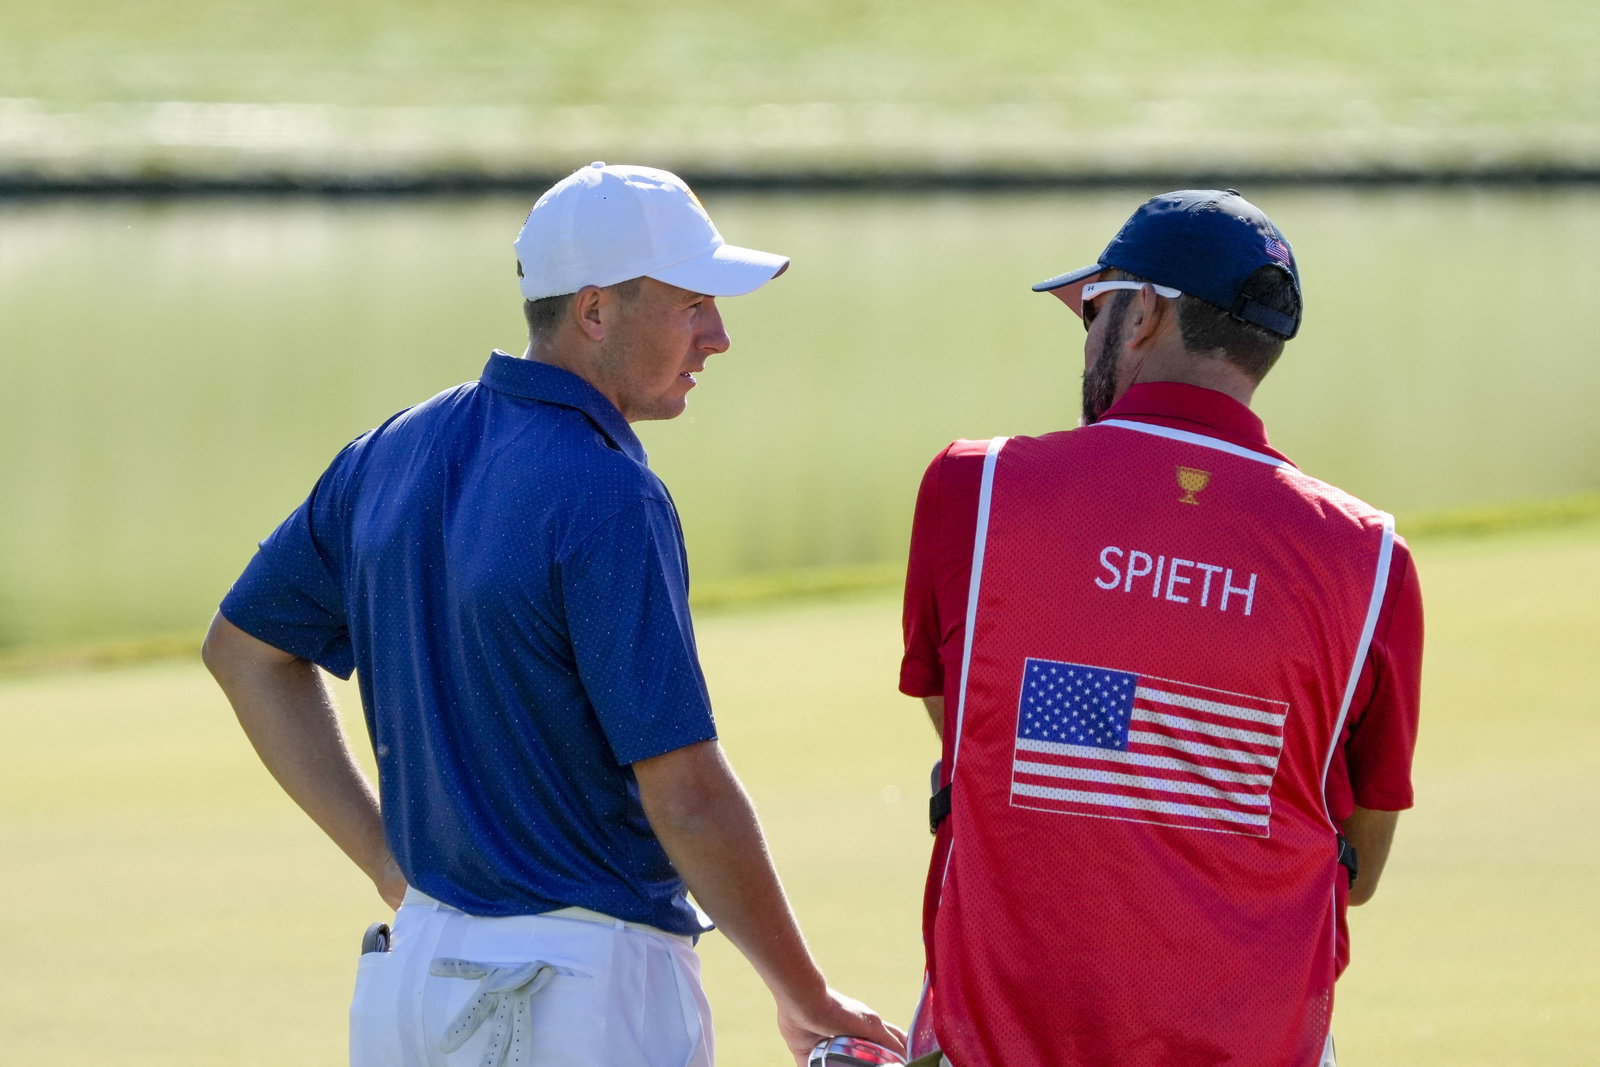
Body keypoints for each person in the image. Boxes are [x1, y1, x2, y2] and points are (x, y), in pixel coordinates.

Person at [202, 161, 905, 1067]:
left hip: (410, 985)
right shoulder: (611, 490)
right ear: (597, 310)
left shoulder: (390, 448)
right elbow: (685, 795)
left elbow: (242, 652)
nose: (720, 336)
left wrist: (392, 867)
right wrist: (806, 996)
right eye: (693, 304)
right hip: (581, 994)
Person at [897, 190, 1422, 1067]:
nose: (1090, 337)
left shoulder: (974, 489)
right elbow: (1360, 861)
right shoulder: (1371, 558)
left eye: (1094, 309)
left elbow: (971, 729)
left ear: (1144, 311)